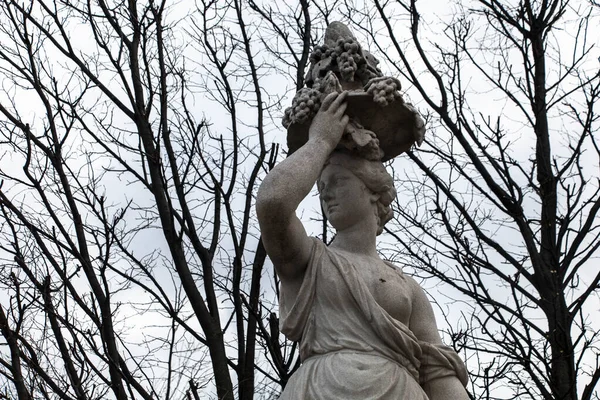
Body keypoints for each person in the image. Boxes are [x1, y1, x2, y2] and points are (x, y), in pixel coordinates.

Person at [256, 92, 468, 399]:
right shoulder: (309, 260)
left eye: (337, 182)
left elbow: (439, 372)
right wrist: (320, 142)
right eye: (321, 187)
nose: (326, 194)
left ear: (372, 189)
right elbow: (273, 203)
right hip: (320, 390)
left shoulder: (408, 288)